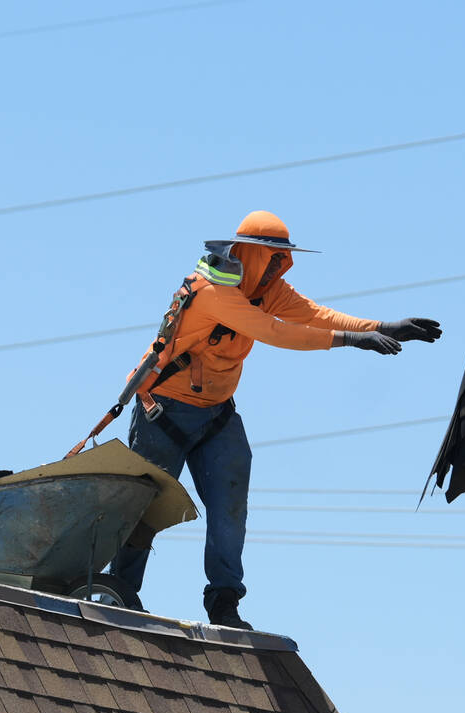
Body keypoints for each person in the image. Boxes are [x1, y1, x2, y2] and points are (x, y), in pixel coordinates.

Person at [109, 210, 441, 629]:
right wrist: (353, 341)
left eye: (281, 258)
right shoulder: (214, 291)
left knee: (230, 508)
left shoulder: (267, 290)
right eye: (270, 256)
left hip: (216, 415)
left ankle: (225, 602)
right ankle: (117, 593)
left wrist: (383, 325)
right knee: (145, 506)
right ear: (245, 252)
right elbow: (274, 332)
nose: (276, 265)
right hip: (164, 411)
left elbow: (313, 314)